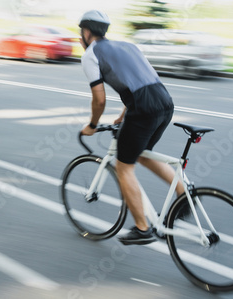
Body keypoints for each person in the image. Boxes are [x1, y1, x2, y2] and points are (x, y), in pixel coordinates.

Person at [78, 10, 184, 245]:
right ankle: (184, 195)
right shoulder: (128, 46)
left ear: (86, 32)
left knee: (124, 167)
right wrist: (124, 114)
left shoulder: (90, 54)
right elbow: (142, 79)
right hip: (164, 102)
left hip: (143, 108)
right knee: (143, 155)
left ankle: (142, 228)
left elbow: (99, 99)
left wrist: (92, 125)